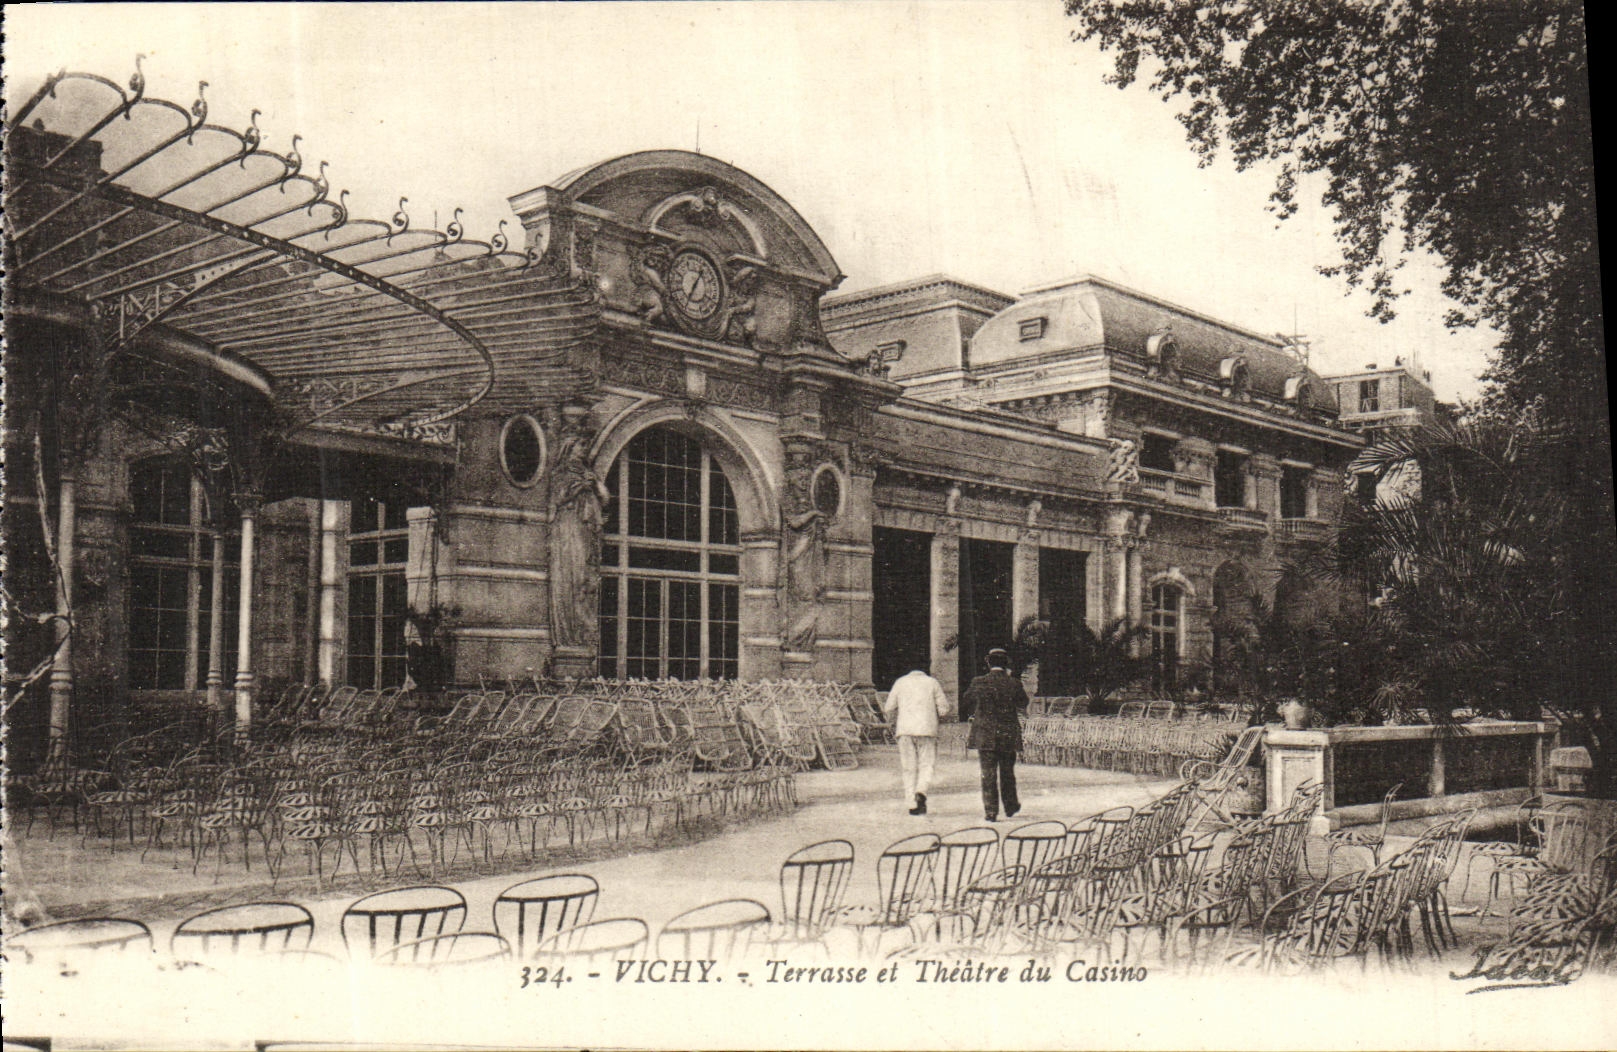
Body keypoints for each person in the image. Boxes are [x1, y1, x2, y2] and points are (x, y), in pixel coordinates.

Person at [963, 647, 1029, 822]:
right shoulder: (1014, 683)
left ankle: (991, 811)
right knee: (1008, 771)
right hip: (1008, 733)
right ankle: (1010, 806)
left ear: (988, 662)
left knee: (988, 773)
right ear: (1006, 663)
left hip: (985, 734)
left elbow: (967, 700)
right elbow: (1023, 702)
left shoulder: (978, 682)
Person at [882, 666, 951, 815]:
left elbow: (888, 707)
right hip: (927, 730)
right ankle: (921, 791)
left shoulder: (900, 682)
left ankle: (911, 803)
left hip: (905, 731)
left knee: (908, 768)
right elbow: (944, 709)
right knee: (926, 765)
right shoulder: (932, 682)